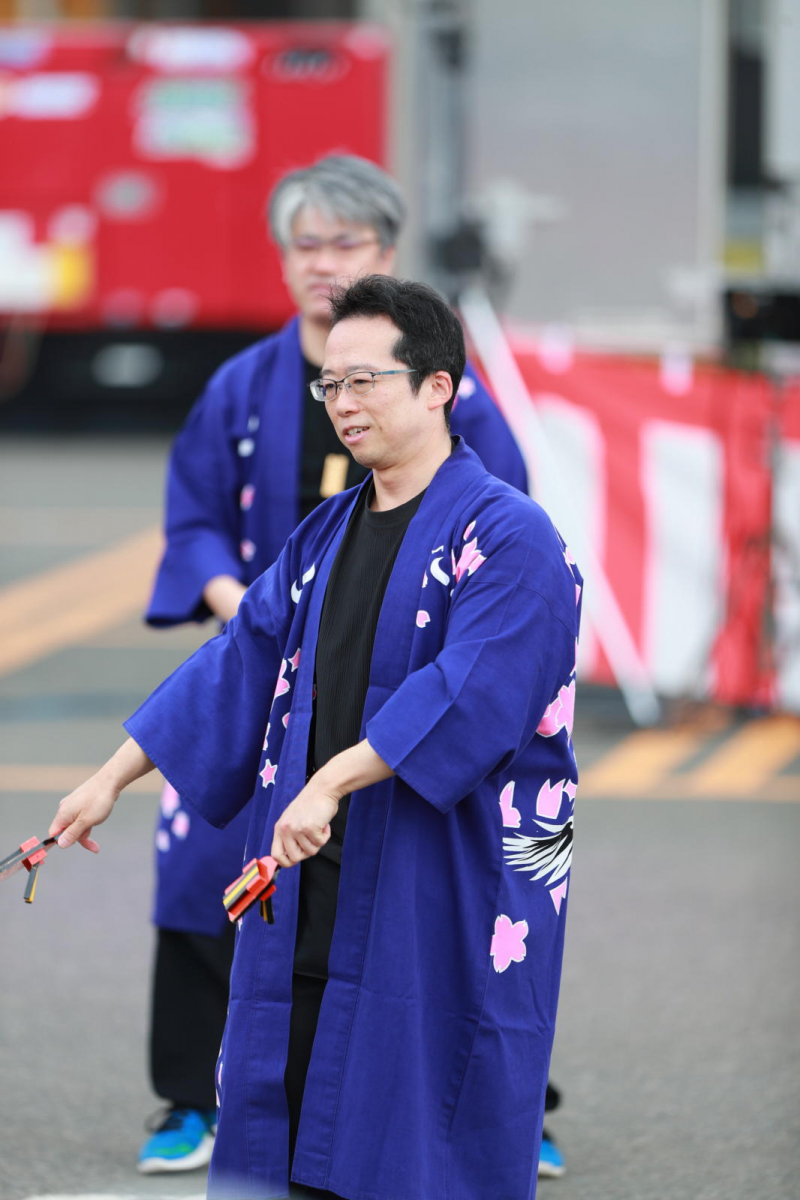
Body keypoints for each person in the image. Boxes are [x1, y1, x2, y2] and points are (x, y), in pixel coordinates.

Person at [51, 275, 581, 1200]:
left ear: (438, 386)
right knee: (295, 1101)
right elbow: (238, 659)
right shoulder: (327, 530)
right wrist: (110, 778)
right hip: (314, 869)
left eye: (364, 380)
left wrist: (330, 781)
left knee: (419, 1118)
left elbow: (470, 695)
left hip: (440, 871)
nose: (342, 402)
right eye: (330, 384)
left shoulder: (511, 534)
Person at [136, 154, 531, 1174]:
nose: (322, 262)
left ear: (386, 252)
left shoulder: (456, 407)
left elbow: (504, 564)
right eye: (305, 244)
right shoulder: (240, 388)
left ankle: (500, 1107)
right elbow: (192, 521)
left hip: (404, 687)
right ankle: (192, 1094)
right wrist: (244, 610)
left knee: (449, 907)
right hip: (260, 672)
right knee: (204, 868)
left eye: (345, 243)